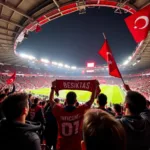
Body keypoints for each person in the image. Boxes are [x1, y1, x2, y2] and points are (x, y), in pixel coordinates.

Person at [49, 81, 98, 150]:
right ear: (76, 101)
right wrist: (95, 87)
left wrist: (53, 87)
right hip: (76, 145)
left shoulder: (59, 110)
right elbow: (91, 100)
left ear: (66, 100)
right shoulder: (80, 110)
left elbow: (51, 101)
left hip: (62, 145)